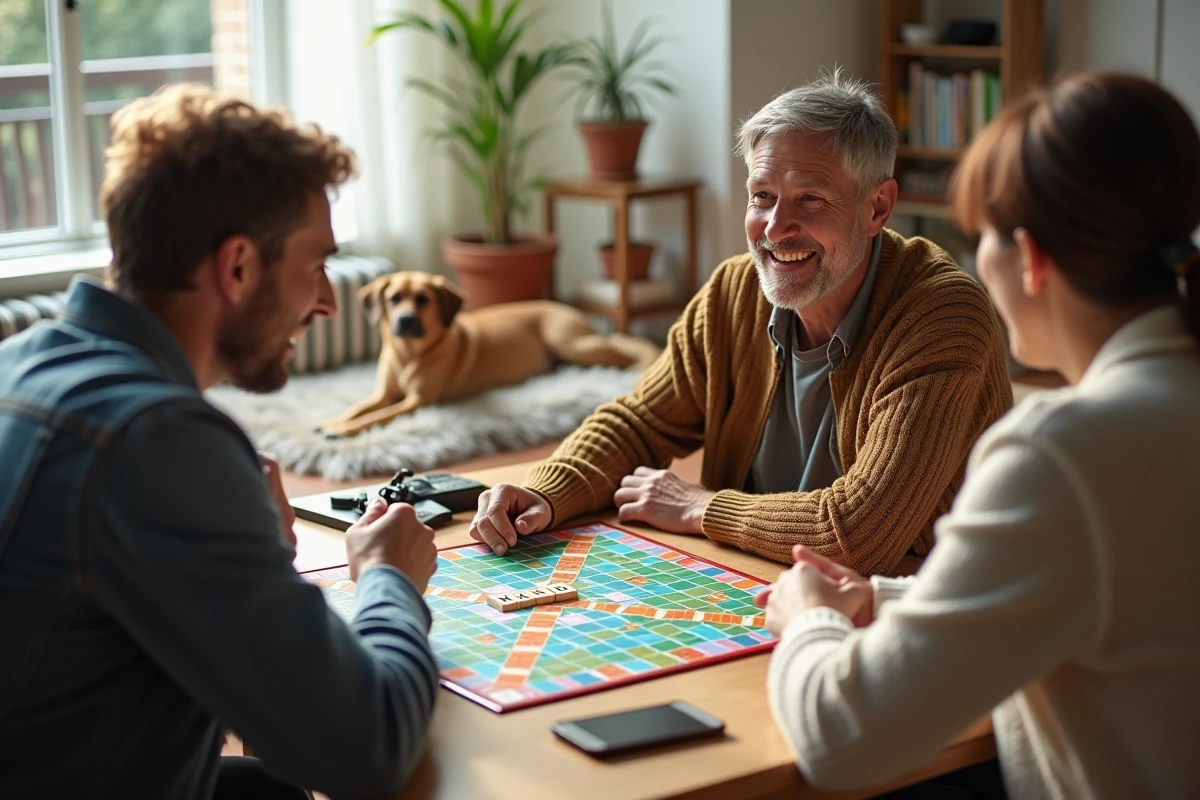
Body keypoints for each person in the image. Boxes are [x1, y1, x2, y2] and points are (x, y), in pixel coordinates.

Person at [759, 72, 1200, 799]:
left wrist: (808, 620)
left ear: (1028, 258)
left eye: (981, 238)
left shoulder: (1062, 453)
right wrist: (887, 600)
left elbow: (842, 742)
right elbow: (1113, 592)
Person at [0, 84, 440, 800]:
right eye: (316, 264)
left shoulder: (22, 362)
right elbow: (369, 748)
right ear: (237, 267)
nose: (328, 301)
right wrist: (388, 578)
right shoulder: (157, 440)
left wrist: (254, 549)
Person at [470, 69, 1012, 573]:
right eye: (762, 197)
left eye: (810, 199)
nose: (776, 229)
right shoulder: (734, 291)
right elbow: (641, 423)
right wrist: (545, 490)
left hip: (915, 612)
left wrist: (701, 508)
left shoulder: (942, 315)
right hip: (759, 578)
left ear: (877, 208)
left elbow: (861, 533)